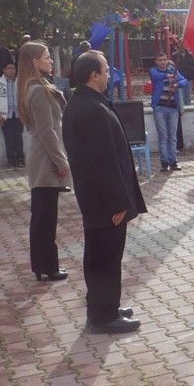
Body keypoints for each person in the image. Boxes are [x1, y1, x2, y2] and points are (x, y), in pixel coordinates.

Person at [63, 51, 146, 334]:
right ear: (93, 75)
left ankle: (106, 305)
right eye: (106, 70)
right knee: (104, 256)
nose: (110, 74)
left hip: (98, 197)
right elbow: (103, 161)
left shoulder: (88, 102)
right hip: (103, 201)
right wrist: (117, 203)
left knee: (104, 254)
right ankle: (102, 316)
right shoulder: (90, 109)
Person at [17, 42, 70, 282]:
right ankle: (48, 266)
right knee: (45, 218)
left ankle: (43, 265)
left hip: (43, 157)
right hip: (45, 159)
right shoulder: (38, 90)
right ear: (34, 61)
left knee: (43, 216)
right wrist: (61, 161)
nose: (50, 61)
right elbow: (47, 131)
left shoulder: (35, 87)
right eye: (46, 57)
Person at [149, 54, 187, 172]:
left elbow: (184, 81)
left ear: (167, 60)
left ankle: (173, 161)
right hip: (159, 108)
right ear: (156, 61)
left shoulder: (173, 71)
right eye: (160, 60)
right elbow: (155, 77)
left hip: (172, 108)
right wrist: (168, 76)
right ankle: (164, 162)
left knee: (172, 136)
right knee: (163, 136)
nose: (162, 62)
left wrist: (176, 84)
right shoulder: (154, 71)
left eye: (164, 60)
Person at [0, 62, 24, 168]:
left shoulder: (19, 82)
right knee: (8, 138)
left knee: (19, 138)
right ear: (4, 70)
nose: (11, 70)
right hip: (5, 116)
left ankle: (20, 159)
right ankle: (11, 161)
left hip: (18, 115)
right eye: (8, 68)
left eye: (13, 68)